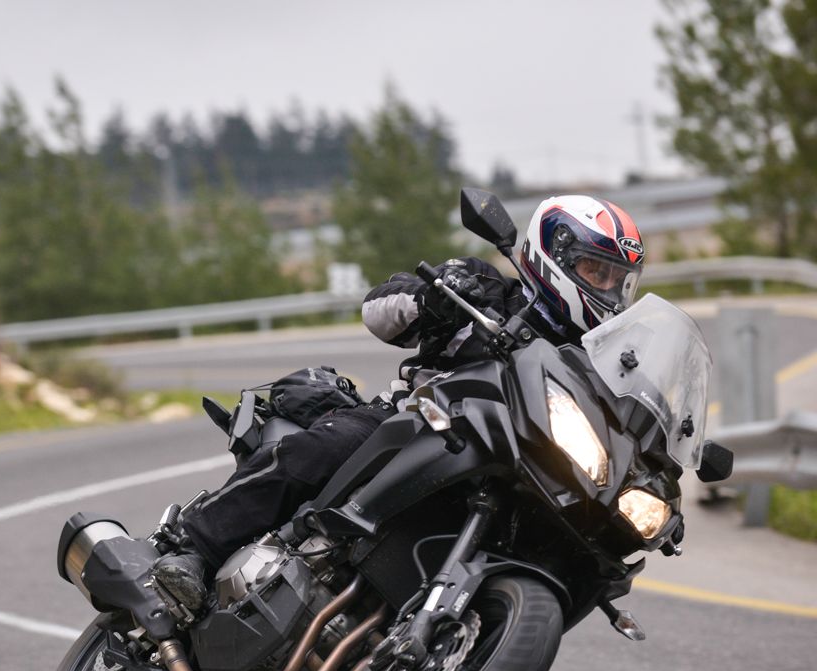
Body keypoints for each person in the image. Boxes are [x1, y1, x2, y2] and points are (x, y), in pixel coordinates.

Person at [153, 195, 648, 611]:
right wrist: (432, 299)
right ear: (552, 255)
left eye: (616, 277)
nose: (606, 287)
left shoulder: (604, 360)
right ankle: (190, 548)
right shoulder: (489, 289)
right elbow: (378, 309)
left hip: (517, 464)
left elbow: (632, 415)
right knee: (330, 447)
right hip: (420, 418)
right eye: (595, 270)